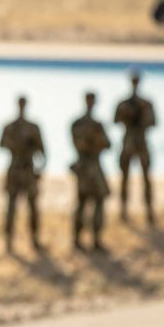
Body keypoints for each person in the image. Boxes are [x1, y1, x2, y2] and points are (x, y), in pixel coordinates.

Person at [0, 95, 46, 253]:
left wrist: (39, 170)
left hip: (27, 168)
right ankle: (9, 240)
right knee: (12, 206)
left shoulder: (32, 127)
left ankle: (33, 238)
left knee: (31, 206)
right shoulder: (11, 126)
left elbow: (42, 152)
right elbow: (2, 144)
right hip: (18, 168)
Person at [114, 69, 157, 226]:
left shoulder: (145, 103)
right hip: (129, 141)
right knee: (125, 177)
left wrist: (141, 117)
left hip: (140, 141)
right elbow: (116, 120)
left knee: (146, 177)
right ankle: (124, 210)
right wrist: (128, 115)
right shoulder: (124, 103)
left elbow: (153, 122)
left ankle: (149, 210)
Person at [71, 92, 112, 252]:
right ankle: (94, 239)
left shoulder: (76, 124)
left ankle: (78, 239)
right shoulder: (95, 125)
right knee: (97, 201)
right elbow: (107, 144)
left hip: (82, 166)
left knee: (82, 203)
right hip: (93, 166)